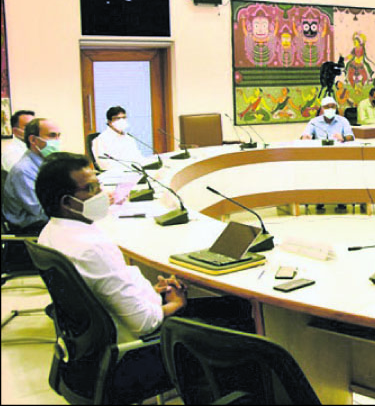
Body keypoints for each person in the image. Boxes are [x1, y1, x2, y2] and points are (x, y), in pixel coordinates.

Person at [34, 152, 255, 398]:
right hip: (131, 357)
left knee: (227, 306)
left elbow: (107, 289)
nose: (102, 193)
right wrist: (175, 304)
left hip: (92, 354)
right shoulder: (90, 247)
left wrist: (151, 292)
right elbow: (143, 324)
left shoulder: (51, 233)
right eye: (91, 188)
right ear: (67, 202)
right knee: (238, 316)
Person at [2, 118, 61, 234]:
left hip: (47, 223)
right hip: (30, 230)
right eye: (52, 136)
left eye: (58, 136)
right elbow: (39, 212)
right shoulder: (23, 170)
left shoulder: (46, 163)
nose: (57, 141)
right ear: (33, 140)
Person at [91, 106, 144, 171]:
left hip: (135, 171)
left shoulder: (128, 138)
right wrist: (128, 168)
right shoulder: (101, 140)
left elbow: (138, 157)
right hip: (116, 173)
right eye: (117, 118)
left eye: (124, 118)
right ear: (109, 122)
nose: (122, 121)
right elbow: (103, 164)